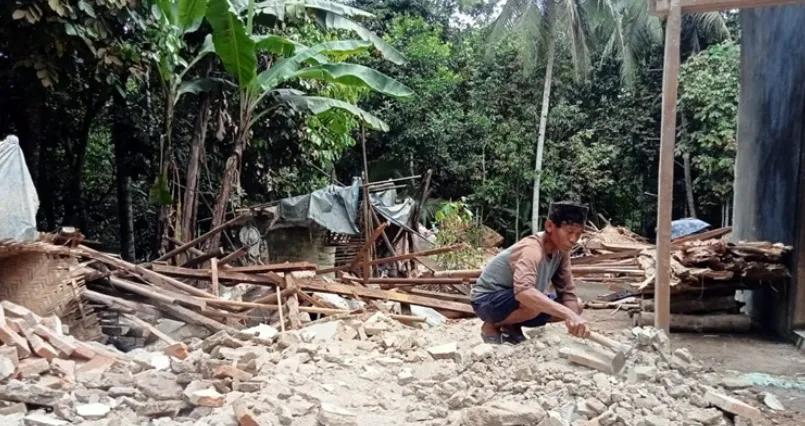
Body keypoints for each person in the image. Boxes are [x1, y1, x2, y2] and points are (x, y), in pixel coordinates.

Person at [470, 201, 590, 344]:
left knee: (577, 305)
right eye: (569, 232)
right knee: (533, 304)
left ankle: (512, 325)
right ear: (550, 226)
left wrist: (574, 320)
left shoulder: (561, 251)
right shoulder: (532, 249)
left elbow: (567, 293)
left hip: (517, 300)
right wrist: (568, 314)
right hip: (486, 301)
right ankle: (491, 325)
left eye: (578, 234)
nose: (573, 240)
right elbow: (524, 292)